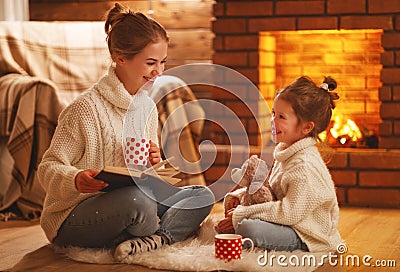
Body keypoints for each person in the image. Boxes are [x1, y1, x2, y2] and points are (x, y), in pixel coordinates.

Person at [38, 2, 214, 262]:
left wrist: (153, 162)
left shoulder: (147, 107)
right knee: (138, 202)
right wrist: (76, 179)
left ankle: (153, 239)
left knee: (201, 195)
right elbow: (48, 167)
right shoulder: (84, 110)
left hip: (132, 203)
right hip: (75, 215)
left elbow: (140, 175)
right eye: (151, 63)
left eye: (163, 62)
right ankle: (163, 231)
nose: (160, 72)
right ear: (120, 58)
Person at [216, 76, 343, 253]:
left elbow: (289, 212)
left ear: (306, 127)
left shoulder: (303, 166)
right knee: (243, 222)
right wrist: (239, 198)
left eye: (281, 117)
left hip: (306, 234)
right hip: (291, 222)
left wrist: (242, 214)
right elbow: (273, 192)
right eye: (273, 113)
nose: (273, 121)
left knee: (248, 228)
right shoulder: (287, 150)